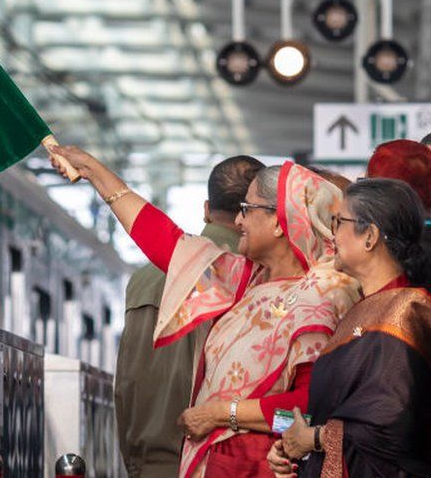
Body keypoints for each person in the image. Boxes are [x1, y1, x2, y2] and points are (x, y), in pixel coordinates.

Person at [49, 147, 360, 478]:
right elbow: (164, 240)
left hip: (263, 468)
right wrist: (95, 172)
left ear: (279, 221)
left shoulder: (324, 294)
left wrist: (221, 415)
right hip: (221, 465)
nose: (238, 220)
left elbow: (310, 411)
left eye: (247, 209)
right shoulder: (246, 280)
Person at [266, 179, 431, 477]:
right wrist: (292, 441)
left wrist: (314, 439)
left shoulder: (405, 312)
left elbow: (392, 425)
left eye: (339, 222)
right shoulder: (365, 308)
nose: (332, 234)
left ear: (369, 236)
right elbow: (337, 408)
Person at [117, 155, 265, 478]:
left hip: (148, 463)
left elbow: (125, 384)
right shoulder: (255, 280)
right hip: (214, 462)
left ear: (206, 209)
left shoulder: (142, 279)